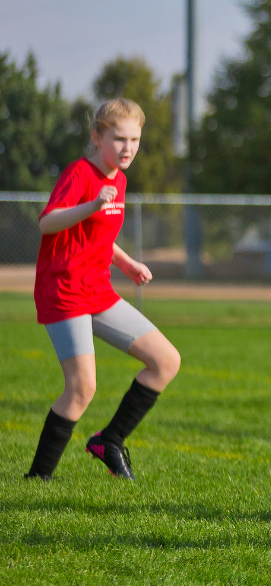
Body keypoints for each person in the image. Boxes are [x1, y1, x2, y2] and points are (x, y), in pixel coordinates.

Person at [25, 98, 181, 482]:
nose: (128, 148)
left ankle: (109, 441)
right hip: (64, 290)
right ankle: (38, 478)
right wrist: (93, 204)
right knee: (82, 388)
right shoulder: (80, 173)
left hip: (97, 290)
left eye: (135, 140)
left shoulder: (119, 180)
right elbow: (48, 222)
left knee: (165, 361)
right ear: (97, 137)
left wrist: (126, 263)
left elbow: (97, 236)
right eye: (119, 139)